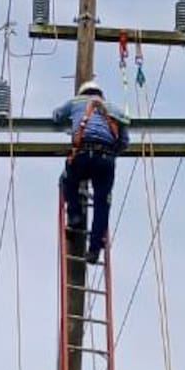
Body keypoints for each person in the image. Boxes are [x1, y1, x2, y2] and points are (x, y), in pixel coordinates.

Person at [53, 79, 130, 263]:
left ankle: (74, 216)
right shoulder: (114, 110)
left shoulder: (76, 102)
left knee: (67, 180)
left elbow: (56, 115)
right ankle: (94, 249)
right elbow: (124, 141)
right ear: (101, 94)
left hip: (83, 155)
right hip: (106, 160)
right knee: (102, 204)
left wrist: (71, 122)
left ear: (82, 93)